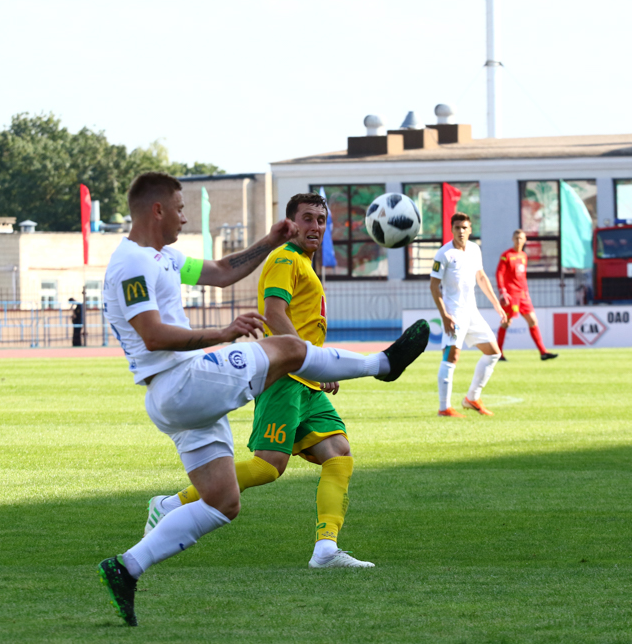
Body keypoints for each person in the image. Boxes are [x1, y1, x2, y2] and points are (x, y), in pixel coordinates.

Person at [97, 172, 430, 627]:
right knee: (288, 349)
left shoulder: (165, 257)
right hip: (181, 382)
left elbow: (221, 272)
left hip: (179, 397)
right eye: (179, 208)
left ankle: (127, 567)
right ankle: (383, 365)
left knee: (222, 502)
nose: (184, 217)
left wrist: (269, 240)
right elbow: (152, 335)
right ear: (157, 210)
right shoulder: (130, 265)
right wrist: (221, 333)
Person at [145, 192, 373, 568]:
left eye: (321, 220)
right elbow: (274, 313)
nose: (315, 226)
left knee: (338, 454)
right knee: (268, 466)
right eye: (307, 218)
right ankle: (170, 504)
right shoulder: (285, 258)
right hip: (286, 376)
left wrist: (315, 367)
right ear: (291, 223)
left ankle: (326, 549)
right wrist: (312, 361)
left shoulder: (302, 261)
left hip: (305, 381)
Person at [429, 212, 508, 418]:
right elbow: (434, 286)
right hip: (454, 313)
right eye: (457, 228)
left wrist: (496, 304)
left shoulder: (474, 249)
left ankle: (472, 398)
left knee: (493, 353)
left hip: (472, 312)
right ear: (452, 229)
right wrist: (444, 315)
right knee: (451, 356)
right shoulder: (444, 254)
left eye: (464, 227)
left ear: (470, 229)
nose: (461, 231)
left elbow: (480, 276)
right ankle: (444, 408)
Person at [495, 230, 557, 362]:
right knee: (506, 322)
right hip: (511, 294)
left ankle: (543, 352)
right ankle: (498, 353)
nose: (518, 241)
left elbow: (522, 277)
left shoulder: (524, 256)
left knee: (533, 321)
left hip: (523, 295)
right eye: (516, 238)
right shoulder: (506, 255)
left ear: (525, 240)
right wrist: (502, 291)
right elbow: (499, 273)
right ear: (512, 239)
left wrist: (526, 291)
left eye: (521, 238)